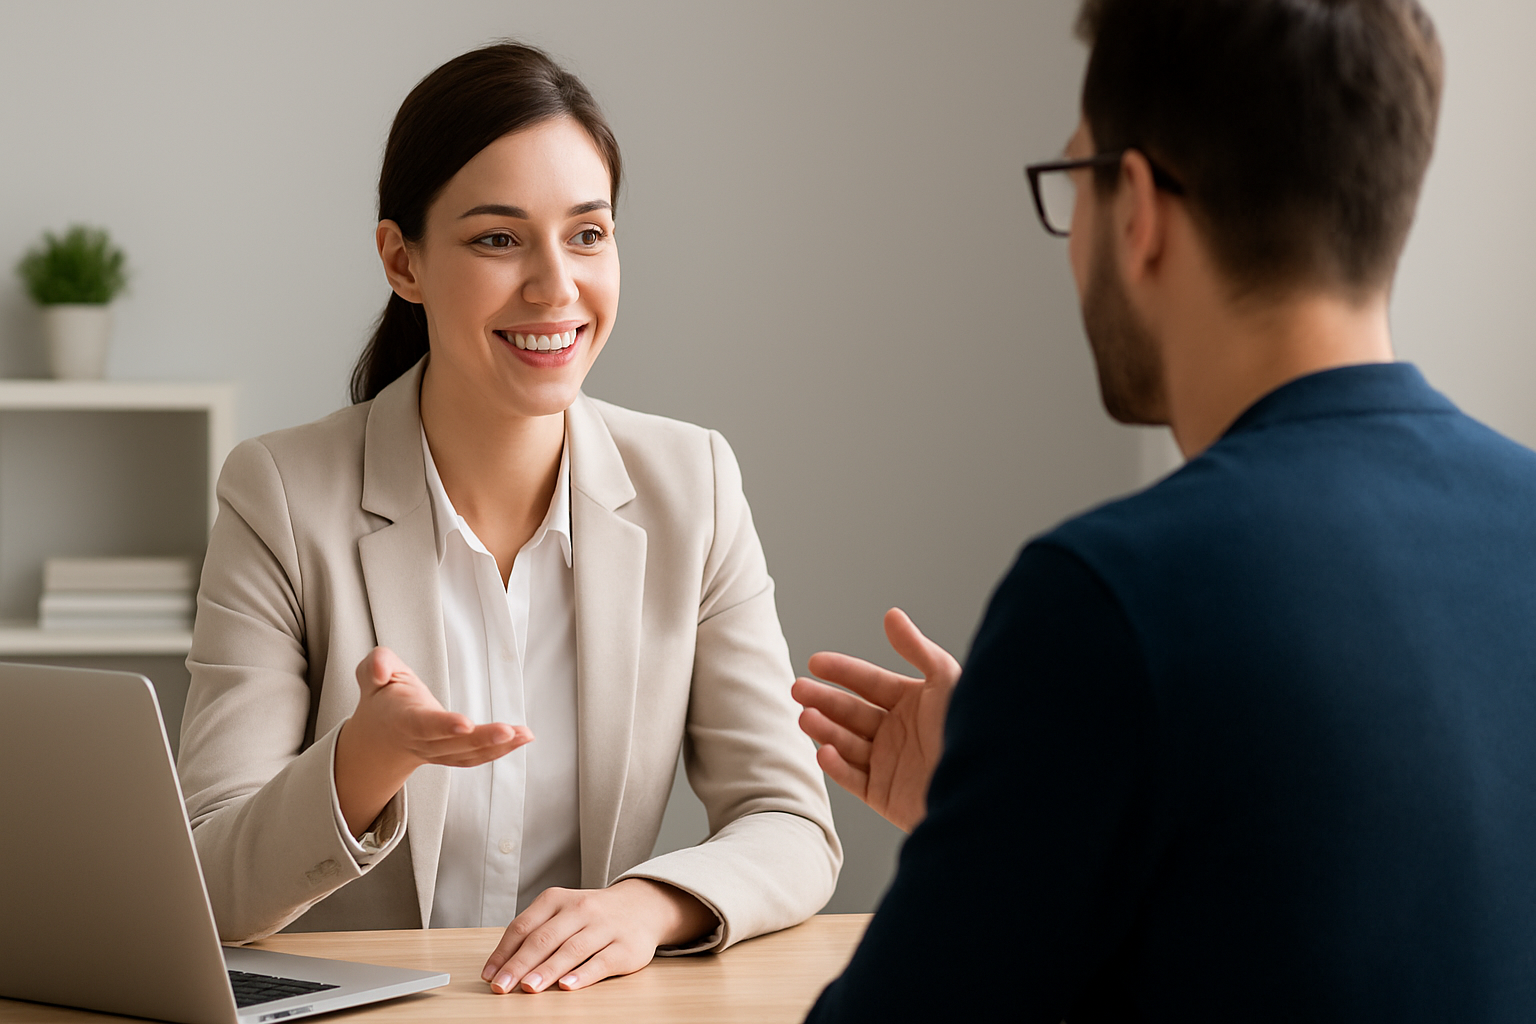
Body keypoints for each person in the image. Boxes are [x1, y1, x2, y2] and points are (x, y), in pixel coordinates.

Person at [794, 0, 1536, 1019]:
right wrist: (1017, 823)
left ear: (1134, 205)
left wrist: (1019, 792)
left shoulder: (1110, 599)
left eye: (1076, 179)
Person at [176, 42, 839, 996]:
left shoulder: (693, 483)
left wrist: (646, 906)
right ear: (403, 260)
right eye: (498, 239)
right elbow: (208, 880)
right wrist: (364, 760)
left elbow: (791, 821)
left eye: (588, 233)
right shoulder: (280, 493)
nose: (555, 286)